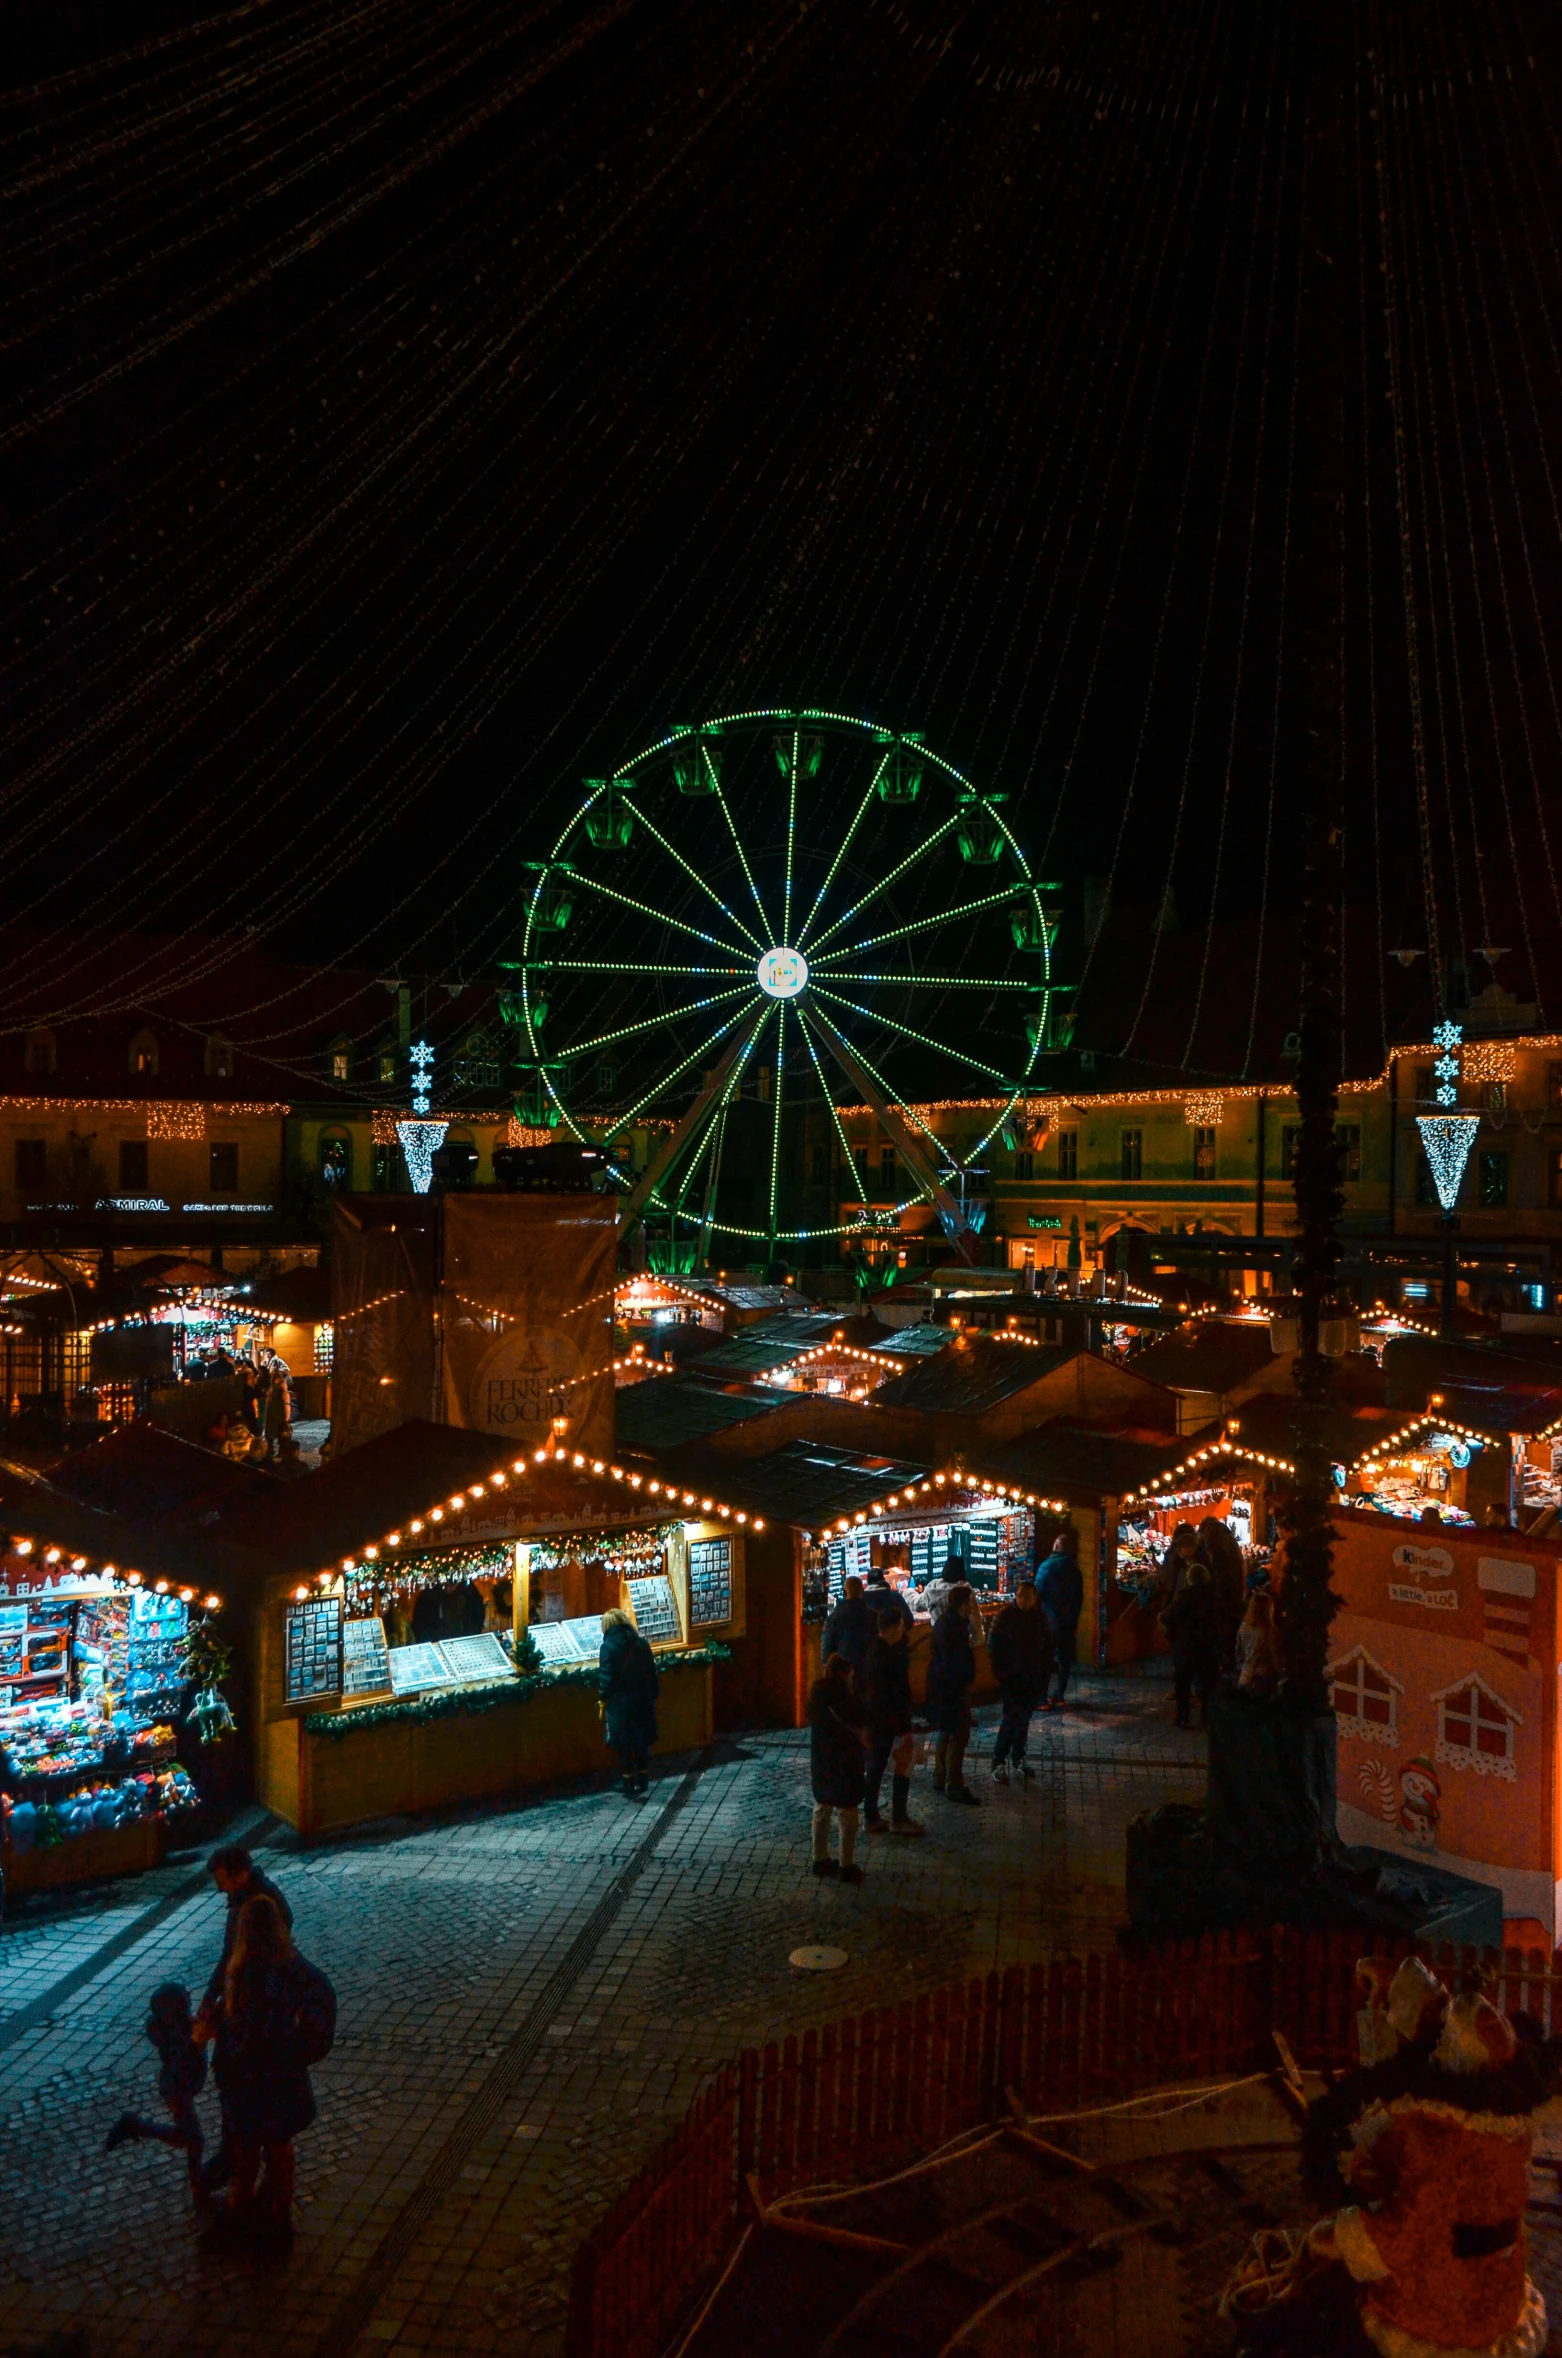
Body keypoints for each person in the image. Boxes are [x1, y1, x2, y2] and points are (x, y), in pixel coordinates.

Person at [204, 1895, 326, 2250]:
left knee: (246, 2151)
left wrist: (221, 2029)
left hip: (250, 2074)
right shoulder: (289, 1966)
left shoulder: (247, 1971)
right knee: (278, 2147)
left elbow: (248, 2023)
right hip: (281, 2072)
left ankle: (237, 2217)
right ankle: (278, 2219)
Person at [105, 1982, 207, 2197]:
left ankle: (136, 2126)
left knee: (187, 2137)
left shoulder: (177, 2028)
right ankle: (198, 2185)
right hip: (177, 2090)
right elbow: (184, 2058)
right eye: (184, 1997)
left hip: (180, 2088)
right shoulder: (177, 2037)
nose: (189, 1996)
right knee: (192, 2139)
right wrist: (197, 2042)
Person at [807, 1651, 867, 1883]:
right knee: (847, 1812)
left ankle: (819, 1858)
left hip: (822, 1761)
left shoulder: (817, 1695)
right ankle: (846, 1864)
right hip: (845, 1762)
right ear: (845, 1674)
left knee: (822, 1808)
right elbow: (859, 1720)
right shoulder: (845, 1699)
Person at [861, 1611, 922, 1836]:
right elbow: (894, 1695)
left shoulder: (877, 1651)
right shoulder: (886, 1656)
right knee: (898, 1764)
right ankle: (896, 1817)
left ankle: (873, 1815)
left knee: (876, 1768)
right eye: (900, 1626)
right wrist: (904, 1727)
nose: (903, 1630)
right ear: (892, 1627)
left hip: (880, 1721)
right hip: (887, 1722)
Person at [987, 1578, 1054, 1782]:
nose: (1025, 1600)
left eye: (1029, 1597)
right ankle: (999, 1761)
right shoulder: (1005, 1616)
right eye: (1022, 1596)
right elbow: (993, 1646)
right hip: (1011, 1678)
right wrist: (1001, 1673)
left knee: (1023, 1720)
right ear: (1016, 1596)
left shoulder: (1040, 1618)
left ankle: (1018, 1757)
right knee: (1010, 1719)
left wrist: (1045, 1675)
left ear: (1034, 1598)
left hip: (1031, 1678)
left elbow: (1048, 1648)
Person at [597, 1605, 659, 1798]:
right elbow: (652, 1672)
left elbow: (607, 1677)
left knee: (623, 1742)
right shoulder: (641, 1643)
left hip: (620, 1703)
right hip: (642, 1699)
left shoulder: (608, 1647)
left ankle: (627, 1781)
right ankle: (643, 1776)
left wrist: (603, 1697)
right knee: (640, 1739)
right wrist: (653, 1693)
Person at [926, 1582, 979, 1804]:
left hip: (943, 1687)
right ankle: (953, 1784)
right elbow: (956, 1660)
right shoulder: (955, 1627)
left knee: (946, 1732)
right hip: (953, 1688)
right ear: (962, 1604)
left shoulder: (945, 1622)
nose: (972, 1606)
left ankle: (940, 1776)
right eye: (970, 1602)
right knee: (958, 1735)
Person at [1159, 1558, 1222, 1729]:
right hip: (1207, 1646)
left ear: (1190, 1579)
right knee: (1207, 1683)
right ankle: (1207, 1717)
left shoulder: (1184, 1597)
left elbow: (1167, 1616)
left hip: (1186, 1645)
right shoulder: (1214, 1598)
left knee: (1183, 1683)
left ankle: (1183, 1717)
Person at [1035, 1527, 1084, 1711]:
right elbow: (1079, 1597)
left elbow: (1037, 1593)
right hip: (1068, 1621)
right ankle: (1060, 1695)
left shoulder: (1047, 1566)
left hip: (1050, 1620)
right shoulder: (1075, 1569)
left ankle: (1041, 1698)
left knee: (1046, 1659)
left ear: (1056, 1546)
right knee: (1064, 1659)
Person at [822, 1574, 878, 1685]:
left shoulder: (834, 1617)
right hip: (868, 1674)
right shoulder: (873, 1616)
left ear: (844, 1591)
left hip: (842, 1677)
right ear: (862, 1591)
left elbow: (826, 1649)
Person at [1235, 1585, 1282, 1694]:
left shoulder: (1244, 1627)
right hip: (1263, 1678)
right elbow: (1274, 1655)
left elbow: (1238, 1650)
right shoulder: (1270, 1630)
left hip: (1245, 1675)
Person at [863, 1563, 914, 1632]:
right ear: (884, 1579)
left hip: (869, 1641)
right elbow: (909, 1621)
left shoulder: (861, 1600)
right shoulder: (894, 1596)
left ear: (867, 1582)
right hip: (894, 1640)